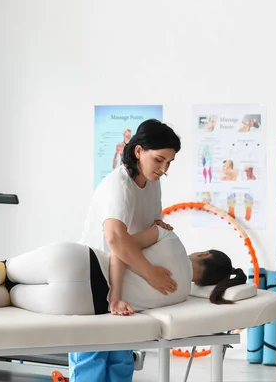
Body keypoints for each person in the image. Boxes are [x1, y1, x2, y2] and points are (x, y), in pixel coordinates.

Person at [0, 226, 246, 315]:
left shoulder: (171, 238)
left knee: (7, 269)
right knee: (10, 295)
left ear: (201, 252)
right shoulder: (182, 295)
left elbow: (120, 242)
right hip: (84, 303)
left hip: (80, 260)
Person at [70, 118, 182, 382]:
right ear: (138, 151)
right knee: (92, 361)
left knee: (121, 359)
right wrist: (150, 273)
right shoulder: (118, 186)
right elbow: (116, 240)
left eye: (169, 163)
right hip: (94, 277)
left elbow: (143, 233)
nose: (164, 168)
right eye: (159, 160)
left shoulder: (152, 182)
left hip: (124, 277)